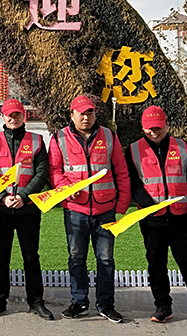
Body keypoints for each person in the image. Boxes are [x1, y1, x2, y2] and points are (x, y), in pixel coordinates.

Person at [125, 105, 187, 330]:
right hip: (152, 219)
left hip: (182, 219)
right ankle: (163, 306)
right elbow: (133, 183)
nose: (154, 132)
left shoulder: (182, 147)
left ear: (167, 125)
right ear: (142, 127)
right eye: (149, 128)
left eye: (158, 128)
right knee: (156, 264)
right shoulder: (133, 150)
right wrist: (148, 206)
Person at [48, 95, 130, 323]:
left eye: (90, 113)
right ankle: (79, 302)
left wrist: (122, 203)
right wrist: (66, 189)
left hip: (106, 209)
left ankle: (106, 305)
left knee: (106, 259)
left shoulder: (109, 136)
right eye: (81, 113)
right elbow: (54, 171)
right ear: (72, 114)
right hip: (75, 210)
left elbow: (121, 171)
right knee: (76, 257)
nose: (86, 117)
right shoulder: (59, 138)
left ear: (95, 114)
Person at [0, 99, 53, 320]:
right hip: (1, 209)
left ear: (24, 116)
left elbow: (41, 173)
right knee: (1, 256)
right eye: (9, 115)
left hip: (28, 209)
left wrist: (23, 196)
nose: (13, 119)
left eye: (17, 115)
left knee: (31, 257)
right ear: (2, 116)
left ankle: (36, 302)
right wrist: (3, 197)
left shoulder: (37, 140)